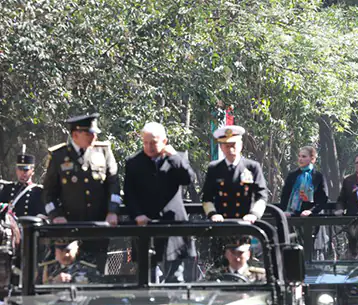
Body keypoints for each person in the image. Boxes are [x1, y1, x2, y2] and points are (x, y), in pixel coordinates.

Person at [124, 122, 197, 282]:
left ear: (164, 141)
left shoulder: (177, 159)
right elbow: (129, 194)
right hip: (146, 226)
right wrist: (138, 215)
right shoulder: (133, 163)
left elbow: (188, 179)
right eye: (145, 143)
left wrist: (175, 158)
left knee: (176, 277)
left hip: (173, 225)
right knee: (149, 276)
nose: (149, 147)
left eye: (153, 143)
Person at [43, 113, 121, 225]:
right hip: (68, 225)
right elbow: (48, 193)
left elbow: (114, 184)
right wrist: (56, 215)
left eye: (94, 133)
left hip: (100, 224)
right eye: (89, 134)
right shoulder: (59, 156)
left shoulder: (103, 151)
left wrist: (113, 211)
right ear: (75, 135)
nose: (94, 137)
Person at [202, 125, 268, 223]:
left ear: (240, 145)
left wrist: (254, 214)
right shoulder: (214, 168)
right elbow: (207, 197)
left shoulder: (252, 167)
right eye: (227, 146)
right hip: (220, 223)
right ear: (221, 147)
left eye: (233, 145)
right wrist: (213, 214)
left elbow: (262, 195)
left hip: (246, 223)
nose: (230, 149)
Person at [279, 146, 329, 217]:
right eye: (299, 156)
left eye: (304, 156)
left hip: (312, 216)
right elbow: (285, 196)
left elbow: (323, 199)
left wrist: (311, 211)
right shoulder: (292, 175)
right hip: (291, 214)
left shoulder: (318, 176)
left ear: (312, 159)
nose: (300, 159)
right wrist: (285, 211)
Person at [0, 146, 45, 217]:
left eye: (26, 170)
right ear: (16, 170)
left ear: (32, 171)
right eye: (20, 169)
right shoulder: (7, 188)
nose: (22, 173)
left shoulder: (38, 192)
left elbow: (41, 213)